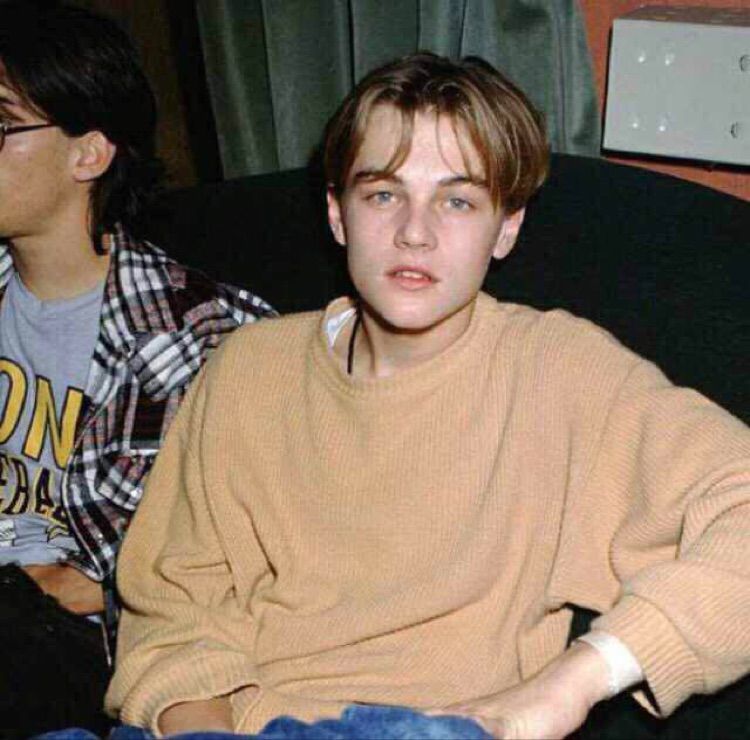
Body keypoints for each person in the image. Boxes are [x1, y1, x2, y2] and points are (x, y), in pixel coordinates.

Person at [106, 52, 750, 739]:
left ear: (507, 227)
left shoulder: (559, 374)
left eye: (458, 200)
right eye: (384, 194)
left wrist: (572, 682)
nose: (415, 232)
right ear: (337, 214)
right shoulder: (248, 368)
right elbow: (174, 607)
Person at [0, 1, 273, 737]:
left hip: (86, 647)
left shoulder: (206, 335)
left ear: (89, 154)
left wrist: (88, 588)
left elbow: (257, 559)